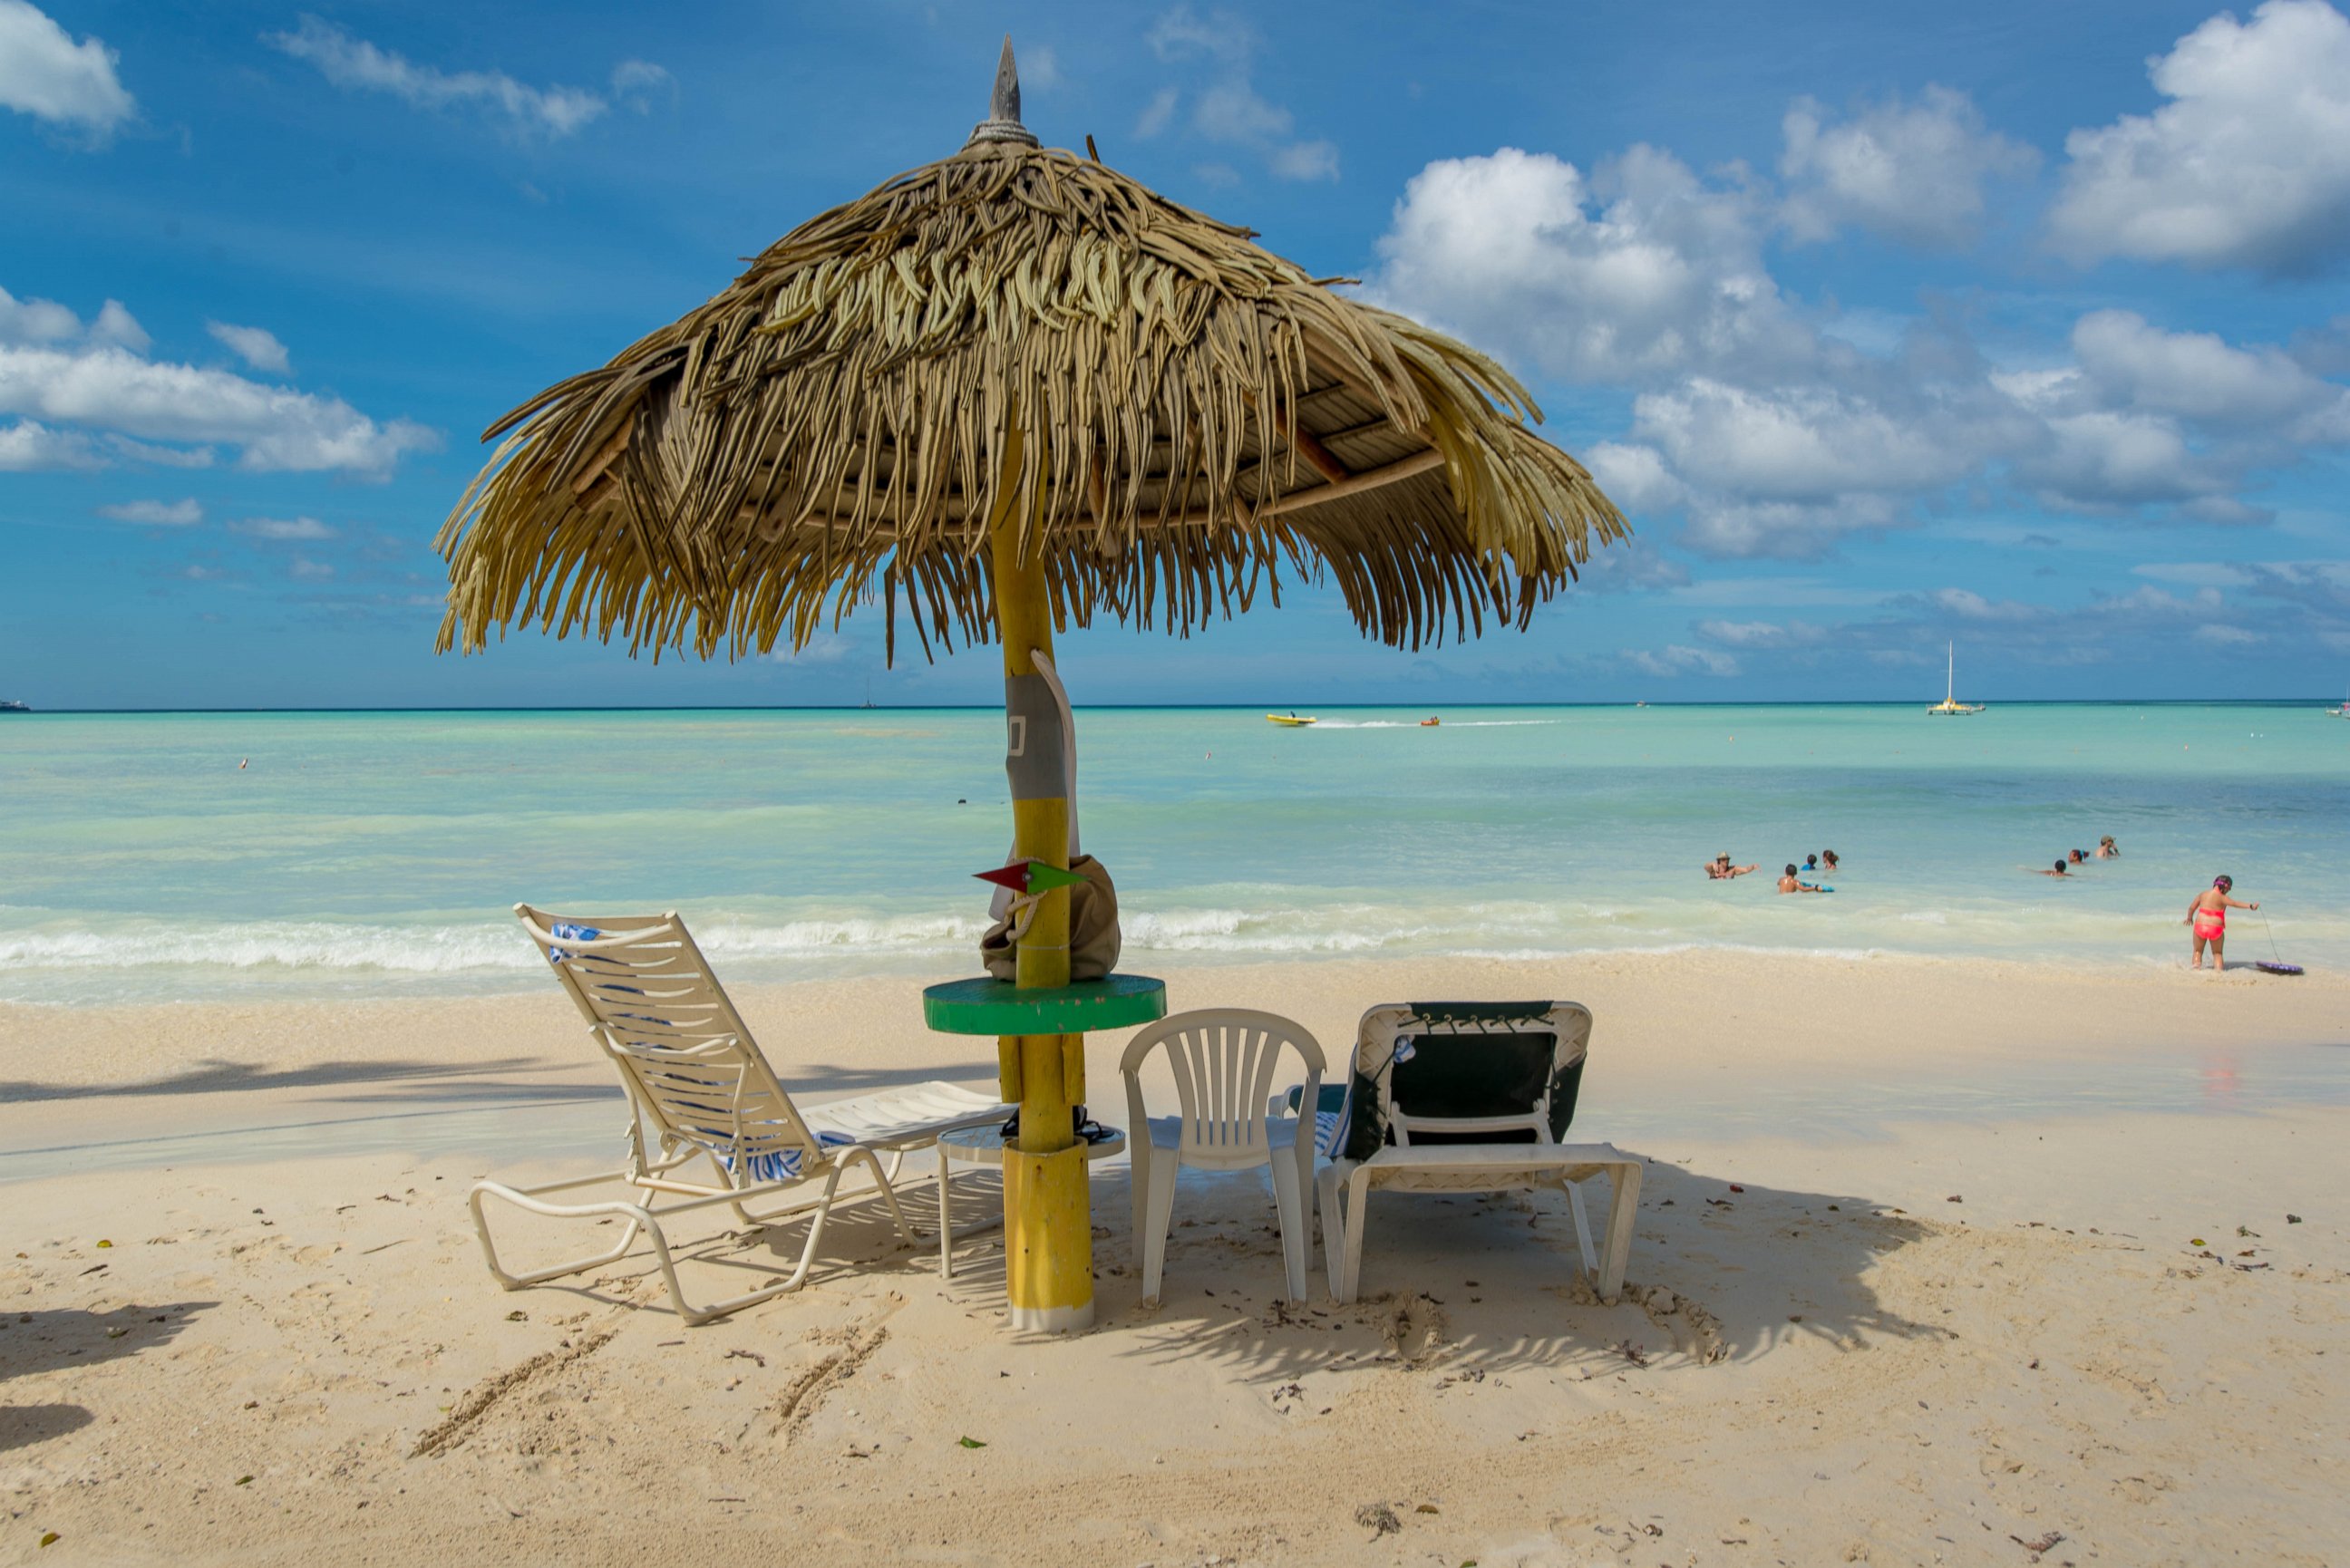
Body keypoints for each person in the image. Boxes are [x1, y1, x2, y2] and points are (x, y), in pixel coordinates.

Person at [2185, 876, 2259, 971]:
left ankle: (2196, 971)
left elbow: (2191, 908)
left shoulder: (2203, 894)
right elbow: (2235, 904)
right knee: (2217, 953)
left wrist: (2189, 918)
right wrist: (2251, 906)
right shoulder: (2223, 898)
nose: (2230, 890)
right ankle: (2218, 974)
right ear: (2225, 886)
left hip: (2200, 926)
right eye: (2229, 888)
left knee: (2198, 951)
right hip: (2215, 928)